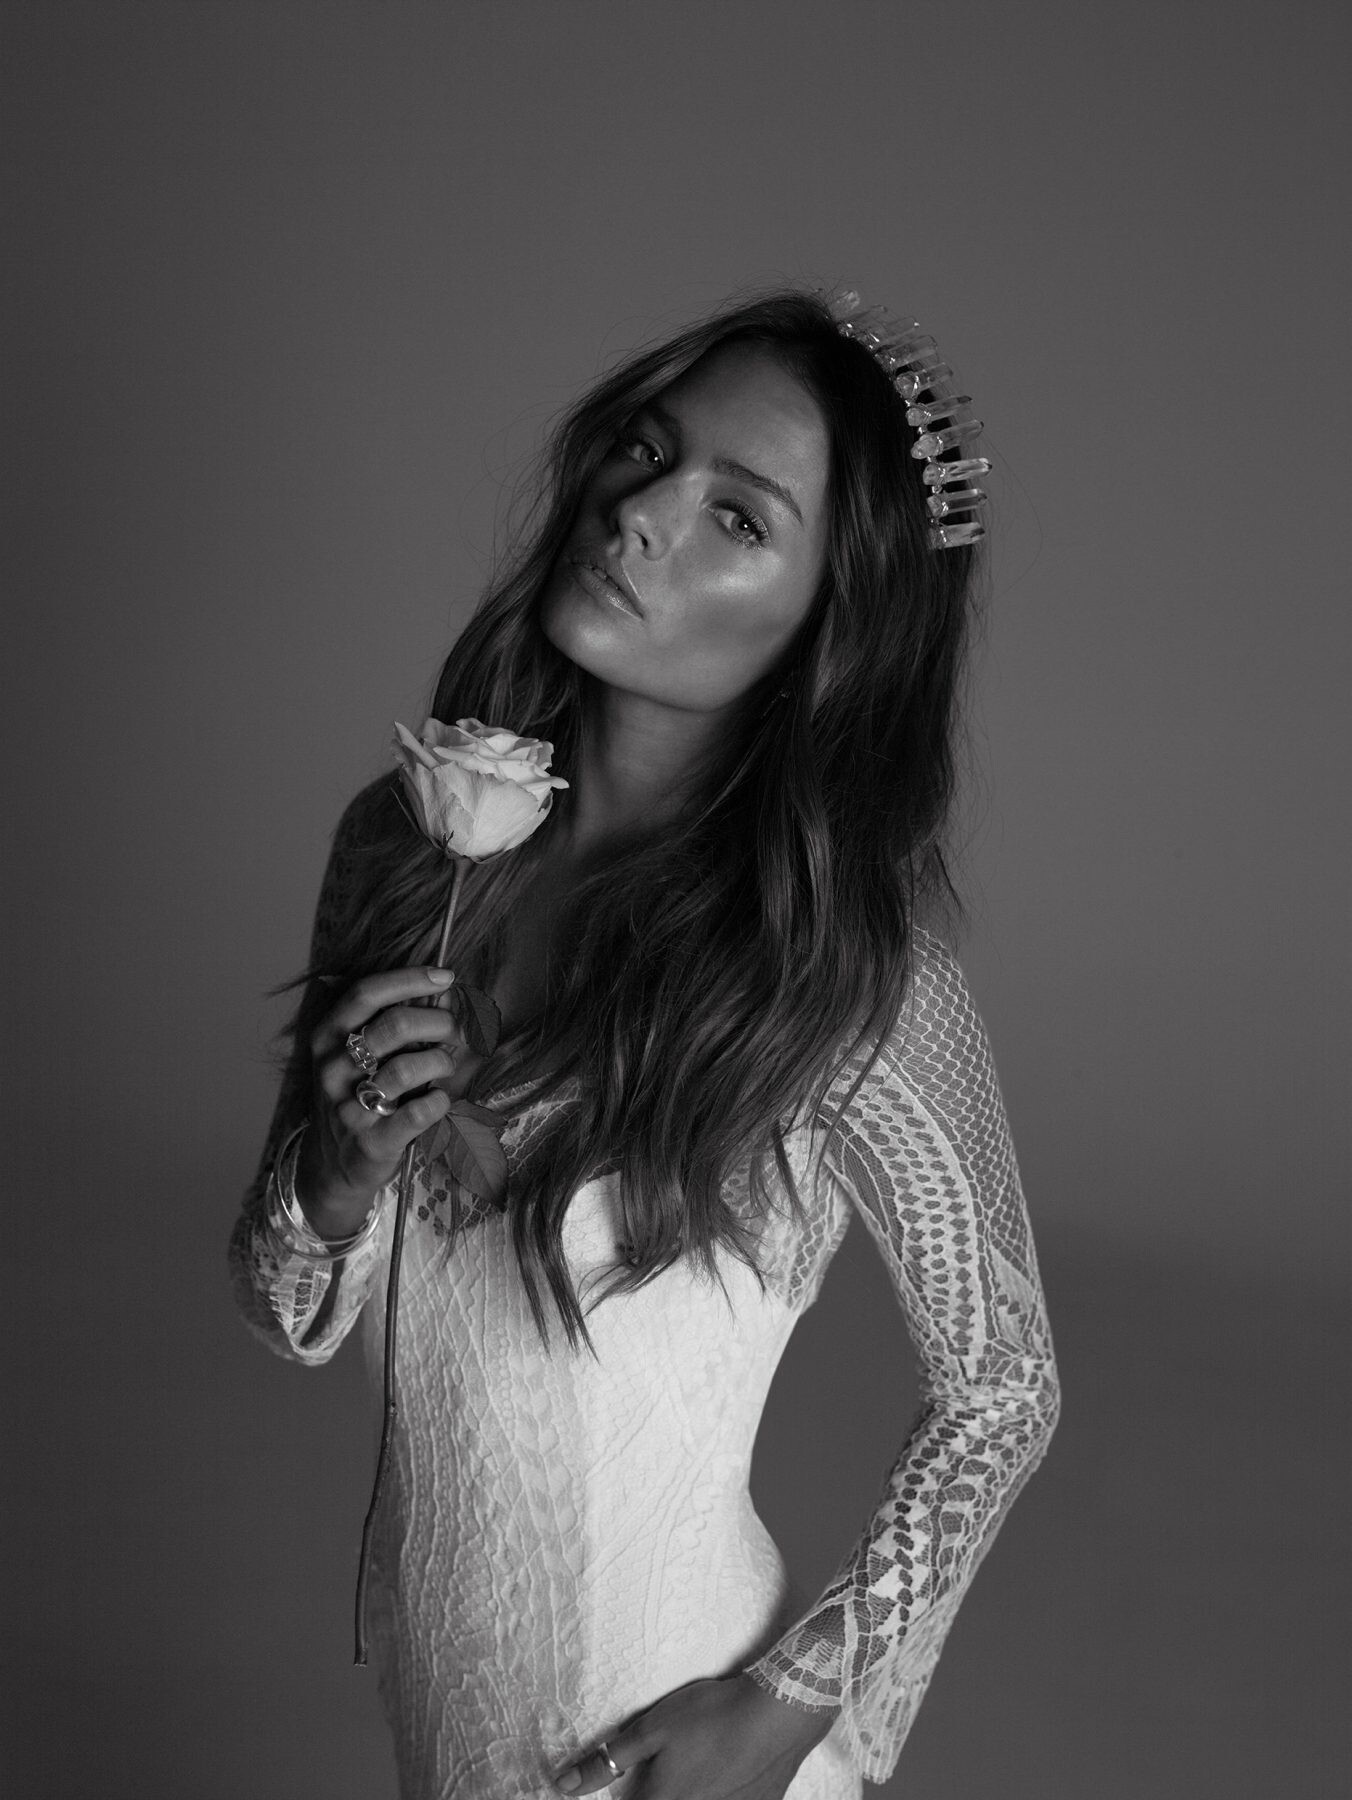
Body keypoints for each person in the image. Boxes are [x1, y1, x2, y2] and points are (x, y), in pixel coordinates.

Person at [230, 287, 1060, 1800]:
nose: (637, 515)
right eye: (645, 451)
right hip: (442, 1730)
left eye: (738, 518)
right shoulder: (407, 854)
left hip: (668, 1751)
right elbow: (290, 1312)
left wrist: (788, 1705)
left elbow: (1003, 1389)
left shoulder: (844, 973)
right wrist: (334, 1181)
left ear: (829, 626)